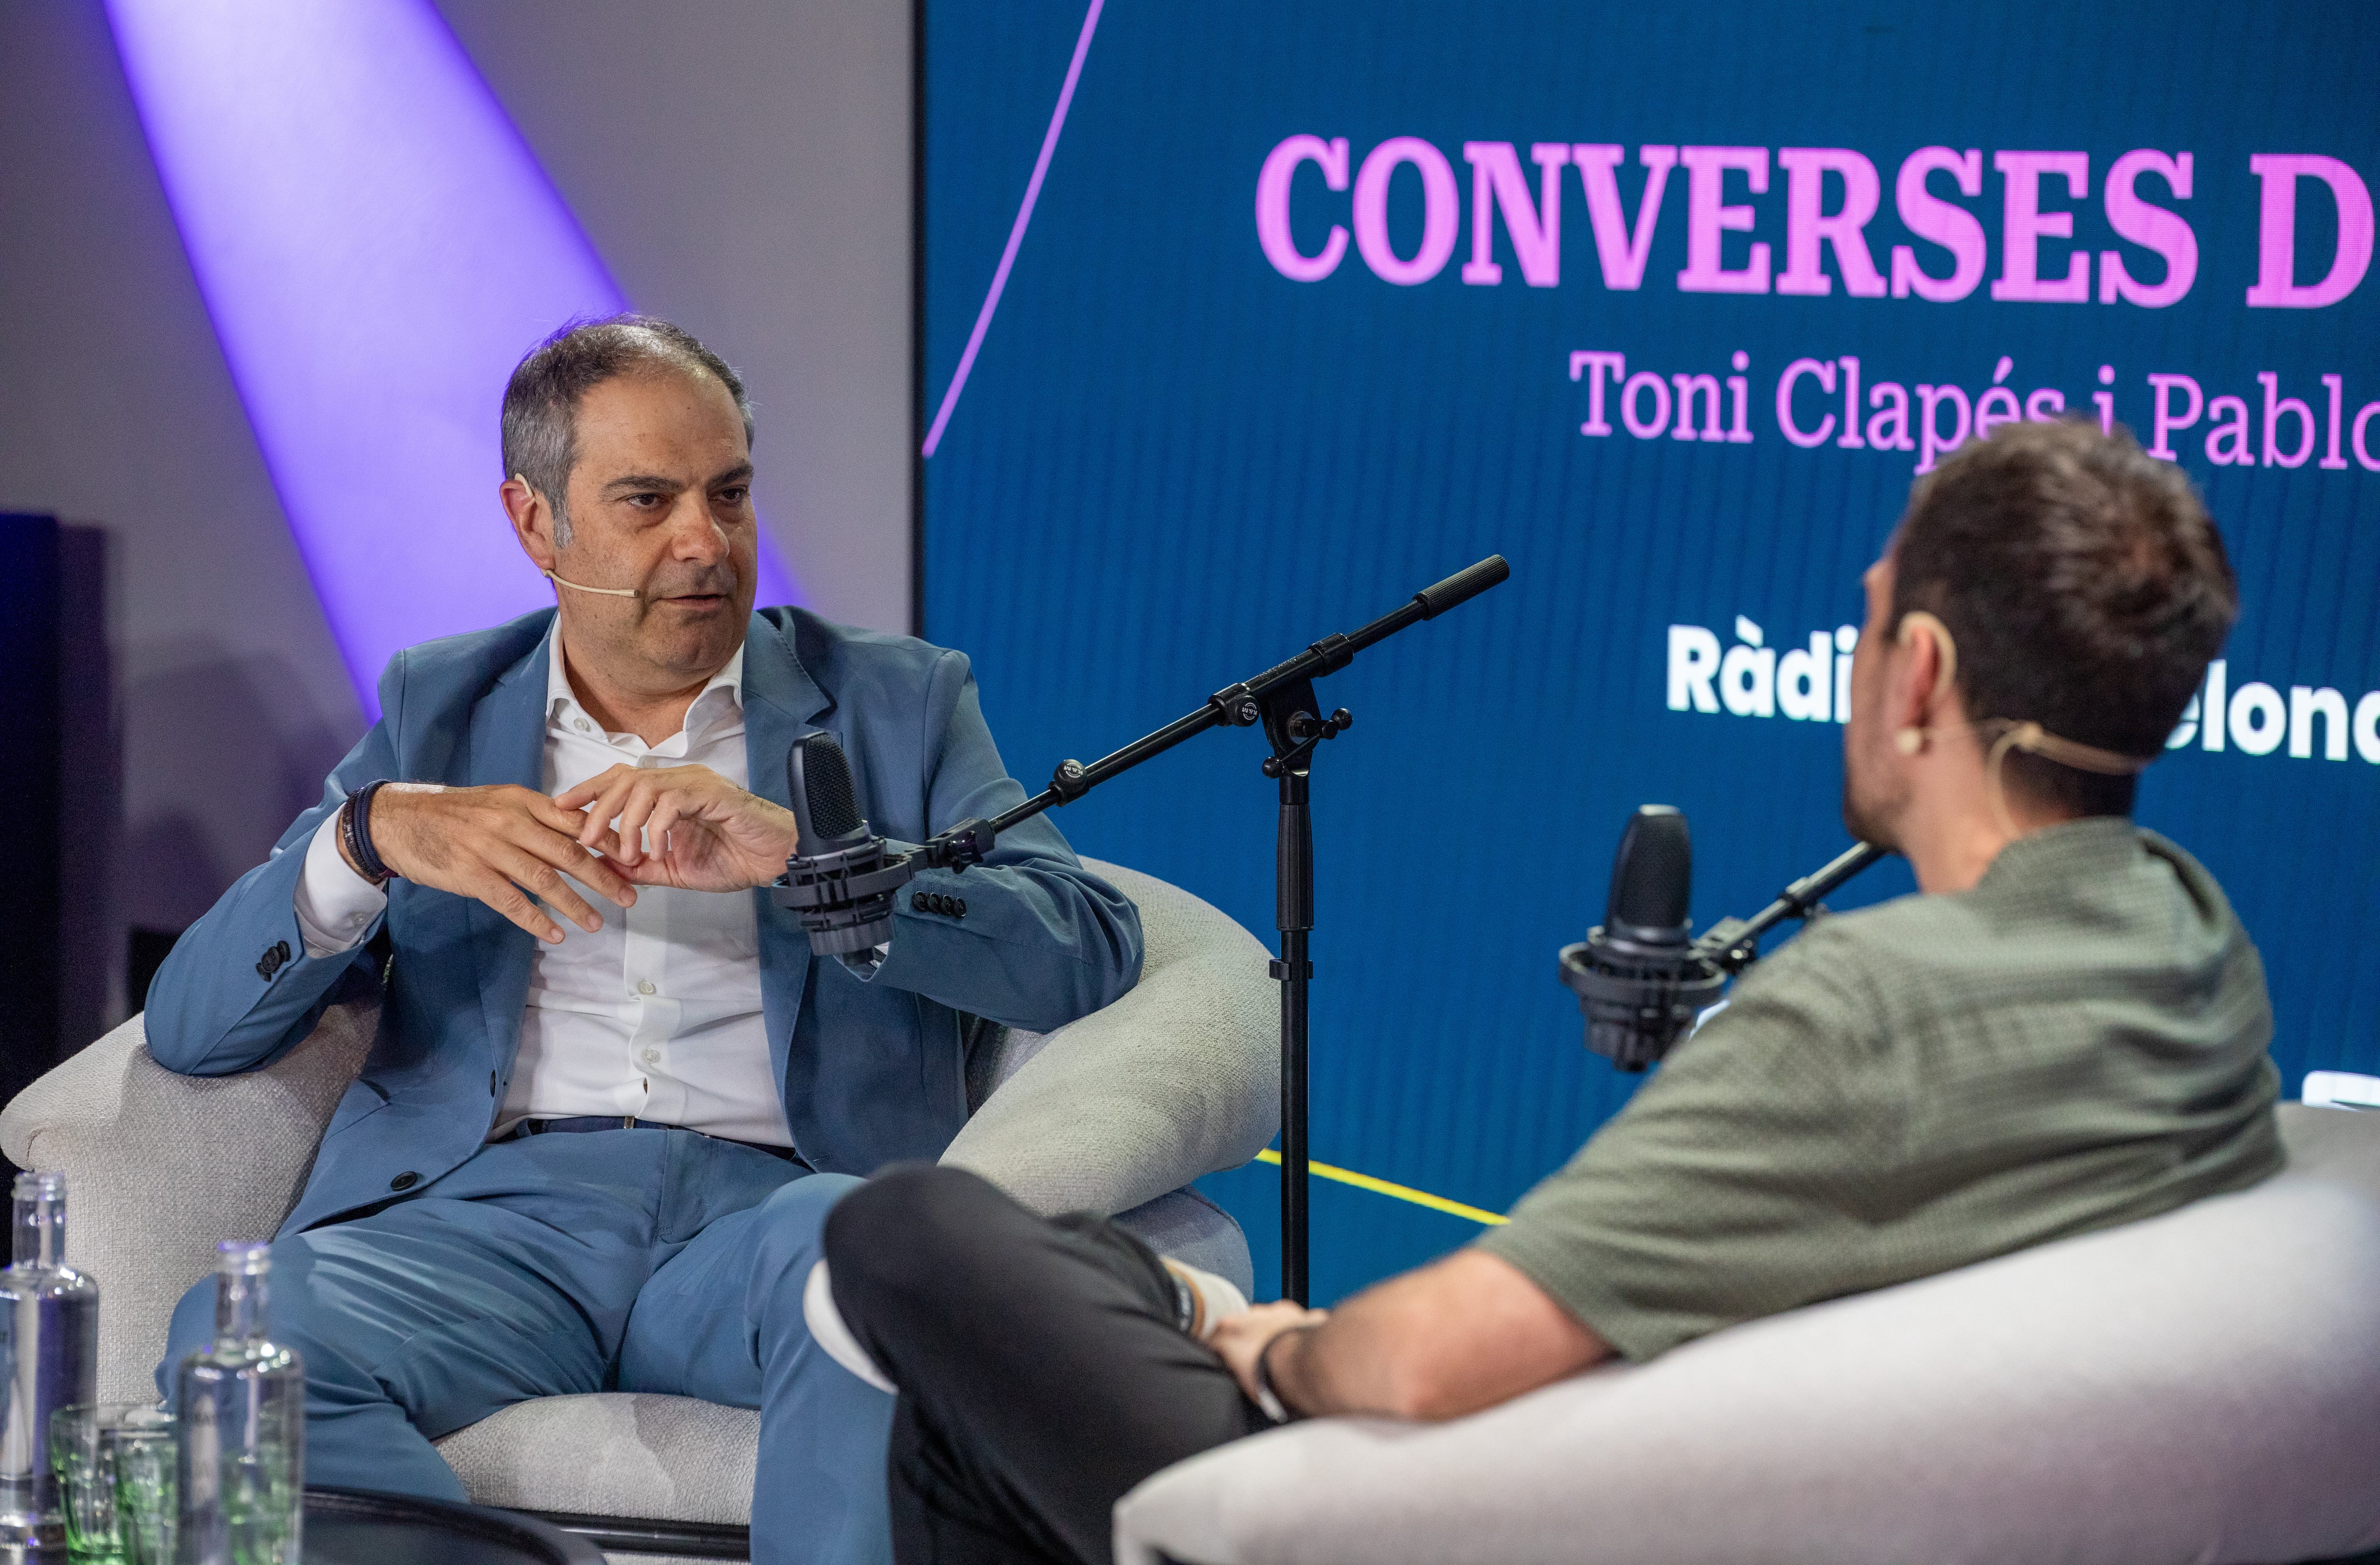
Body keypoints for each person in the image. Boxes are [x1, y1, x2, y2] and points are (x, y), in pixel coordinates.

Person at [818, 418, 2283, 1565]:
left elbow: (1438, 1364)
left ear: (1923, 680)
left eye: (1871, 623)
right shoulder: (2196, 951)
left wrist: (1260, 1340)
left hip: (1506, 1520)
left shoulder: (1870, 1008)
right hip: (1706, 1465)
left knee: (910, 1233)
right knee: (988, 1402)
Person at [144, 314, 1144, 1565]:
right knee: (241, 1345)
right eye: (648, 501)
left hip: (780, 1210)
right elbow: (190, 1027)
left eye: (729, 495)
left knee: (872, 1289)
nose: (704, 544)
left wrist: (805, 856)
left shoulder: (896, 699)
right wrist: (368, 838)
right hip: (487, 1222)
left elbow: (1084, 947)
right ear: (535, 523)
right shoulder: (438, 708)